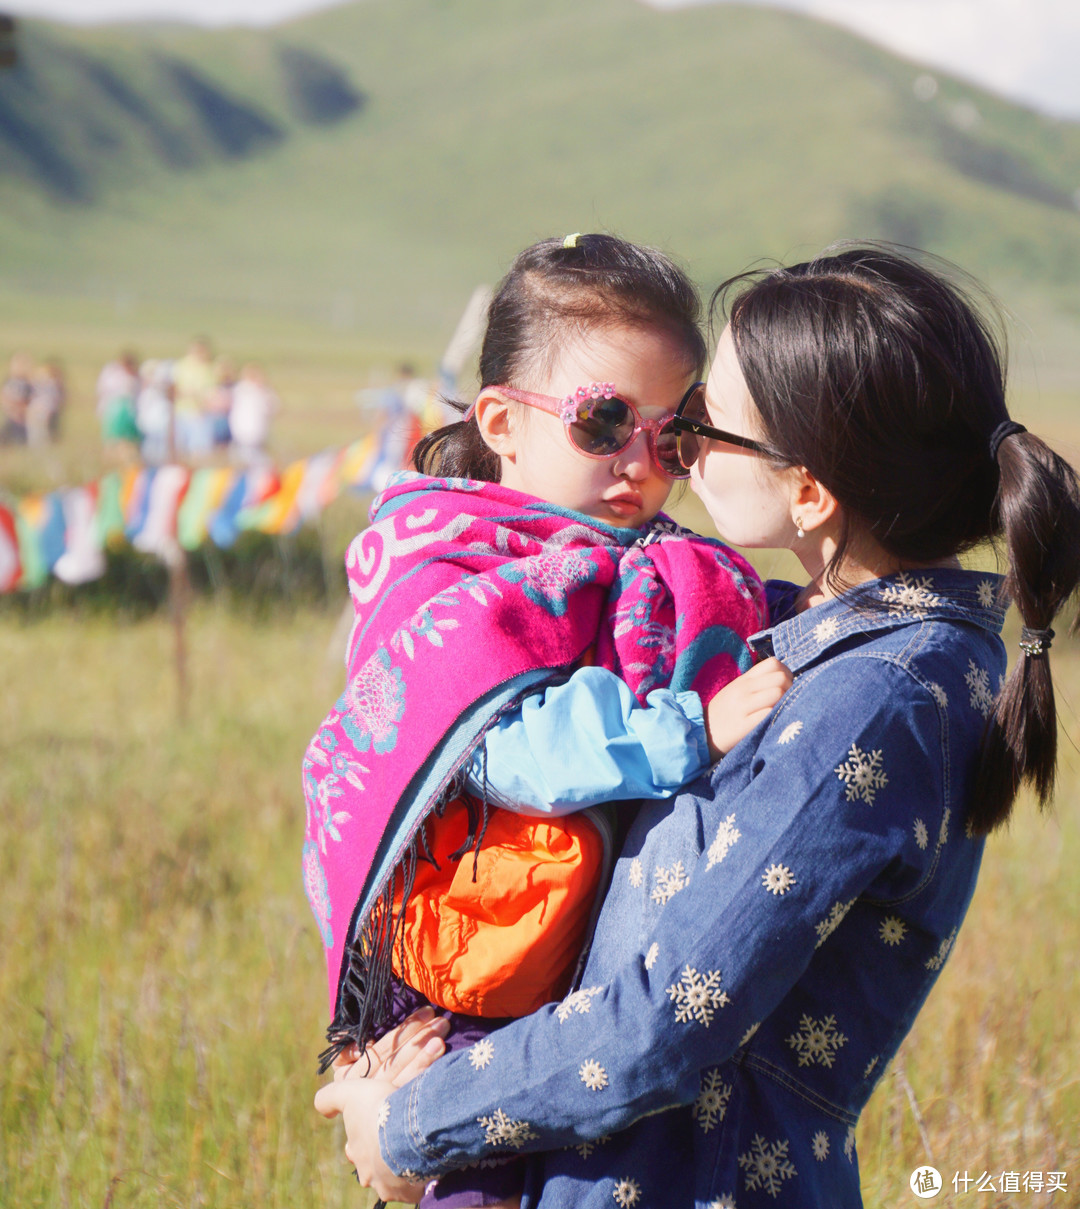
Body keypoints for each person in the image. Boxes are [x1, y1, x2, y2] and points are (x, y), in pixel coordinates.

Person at [316, 244, 1080, 1208]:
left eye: (698, 424)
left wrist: (412, 1122)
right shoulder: (820, 644)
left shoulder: (876, 700)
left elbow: (660, 1024)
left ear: (809, 490)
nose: (671, 453)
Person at [303, 234, 792, 1209]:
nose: (638, 464)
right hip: (479, 973)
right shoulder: (449, 575)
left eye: (669, 434)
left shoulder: (655, 567)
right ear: (503, 422)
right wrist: (690, 732)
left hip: (596, 976)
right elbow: (515, 748)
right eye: (604, 421)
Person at [172, 336, 217, 459]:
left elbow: (211, 393)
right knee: (181, 447)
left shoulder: (209, 368)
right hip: (182, 411)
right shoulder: (182, 366)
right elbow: (175, 388)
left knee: (199, 449)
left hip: (200, 413)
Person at [228, 363, 279, 467]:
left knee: (251, 457)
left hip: (254, 432)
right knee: (248, 456)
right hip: (244, 431)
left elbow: (274, 407)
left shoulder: (262, 392)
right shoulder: (242, 389)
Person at [96, 352, 141, 449]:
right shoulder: (112, 373)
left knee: (126, 439)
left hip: (126, 409)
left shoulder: (133, 376)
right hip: (115, 408)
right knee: (113, 438)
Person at [0, 352, 33, 446]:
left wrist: (20, 409)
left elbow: (28, 400)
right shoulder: (9, 381)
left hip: (22, 419)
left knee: (19, 438)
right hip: (10, 416)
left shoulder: (28, 384)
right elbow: (3, 395)